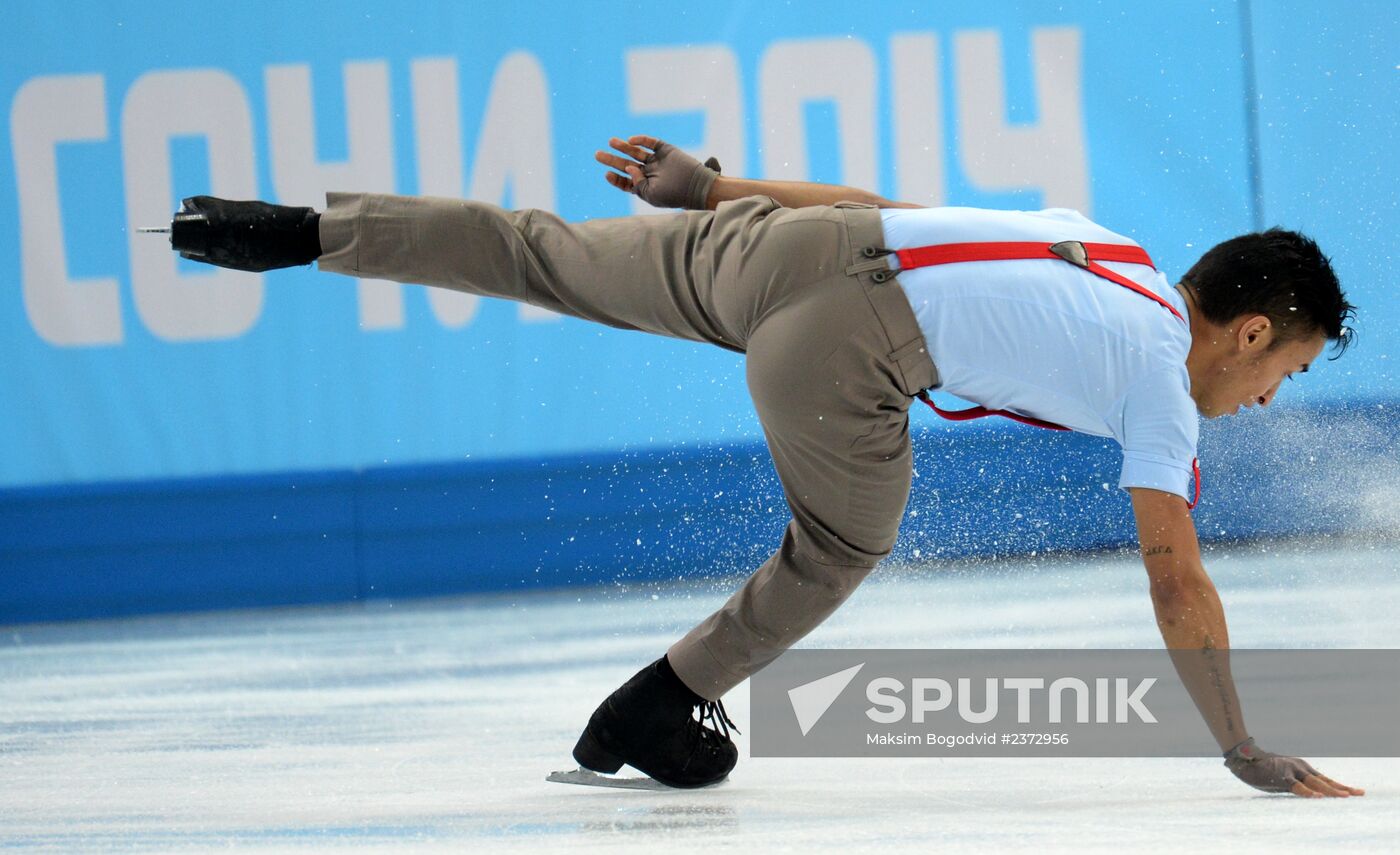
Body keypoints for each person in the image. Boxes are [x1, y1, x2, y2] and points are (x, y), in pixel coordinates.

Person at [162, 134, 1362, 798]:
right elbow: (1174, 579)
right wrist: (1237, 743)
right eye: (1285, 373)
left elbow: (882, 202)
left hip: (782, 244)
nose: (1267, 400)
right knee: (840, 546)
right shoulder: (1163, 384)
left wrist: (711, 191)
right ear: (1249, 330)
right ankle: (652, 704)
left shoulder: (1104, 245)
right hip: (848, 337)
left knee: (545, 253)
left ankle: (302, 232)